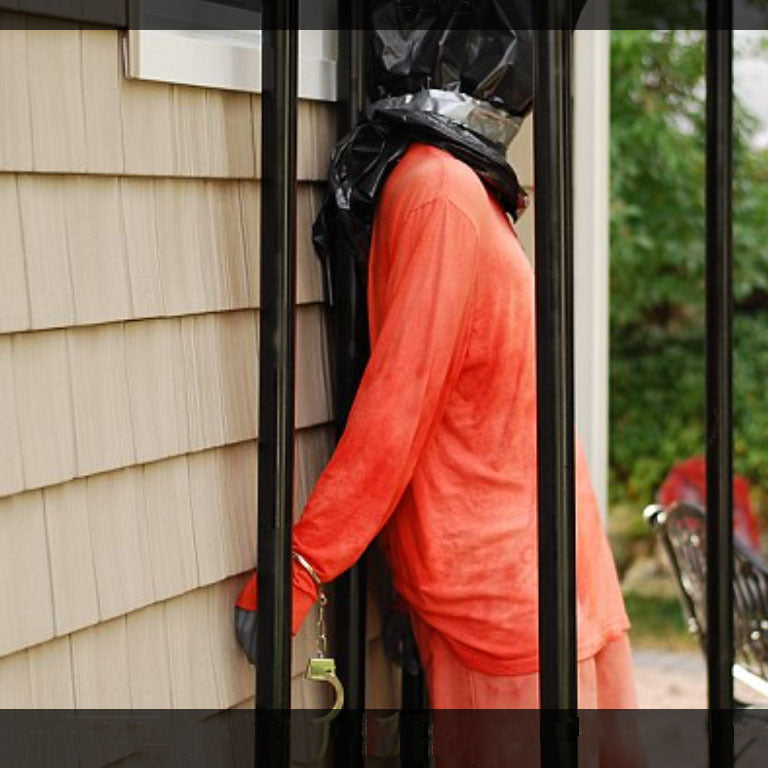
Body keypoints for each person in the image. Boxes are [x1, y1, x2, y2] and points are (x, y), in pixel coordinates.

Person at [235, 2, 636, 721]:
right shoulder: (449, 192)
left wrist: (308, 567)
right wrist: (321, 567)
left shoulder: (450, 192)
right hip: (519, 595)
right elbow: (412, 401)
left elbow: (409, 403)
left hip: (524, 598)